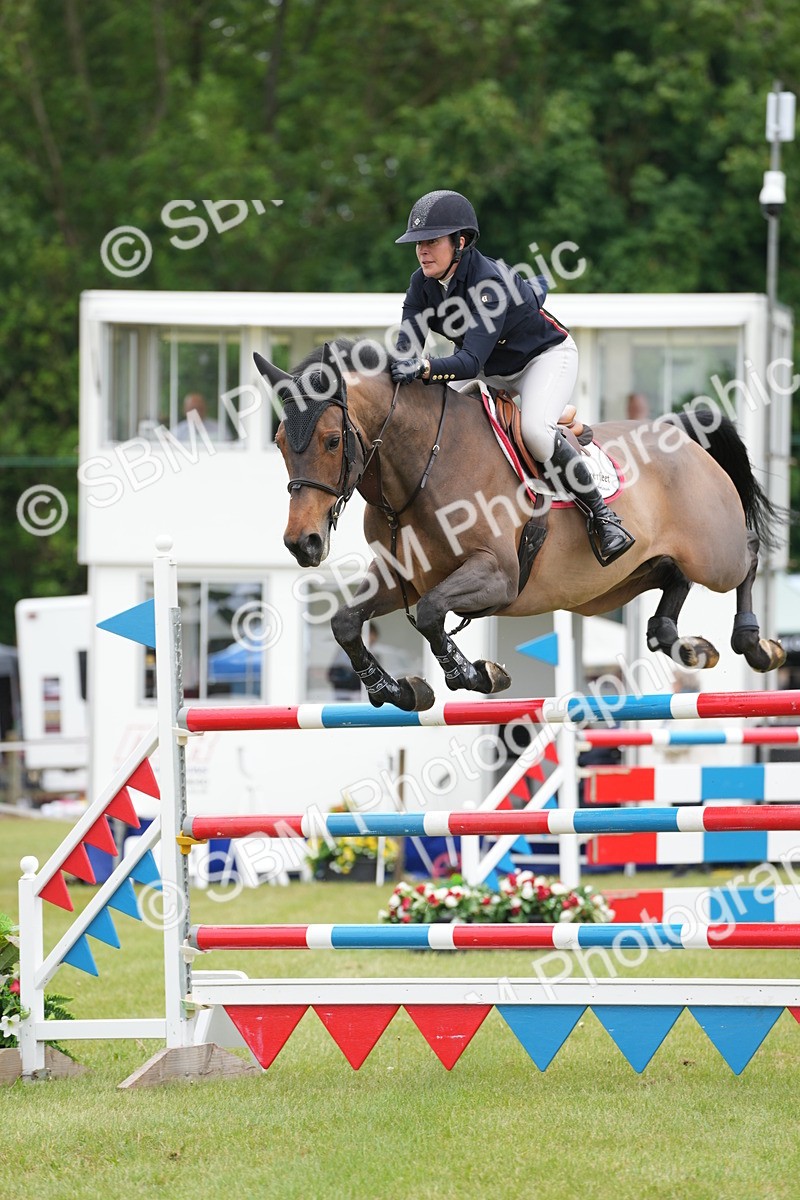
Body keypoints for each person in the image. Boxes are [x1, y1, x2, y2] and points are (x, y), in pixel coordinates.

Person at [391, 189, 634, 565]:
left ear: (461, 241)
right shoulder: (421, 284)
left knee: (535, 432)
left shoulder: (489, 284)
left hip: (543, 360)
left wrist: (424, 368)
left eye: (431, 242)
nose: (422, 250)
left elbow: (468, 362)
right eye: (418, 243)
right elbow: (408, 349)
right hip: (492, 369)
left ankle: (604, 517)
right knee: (431, 415)